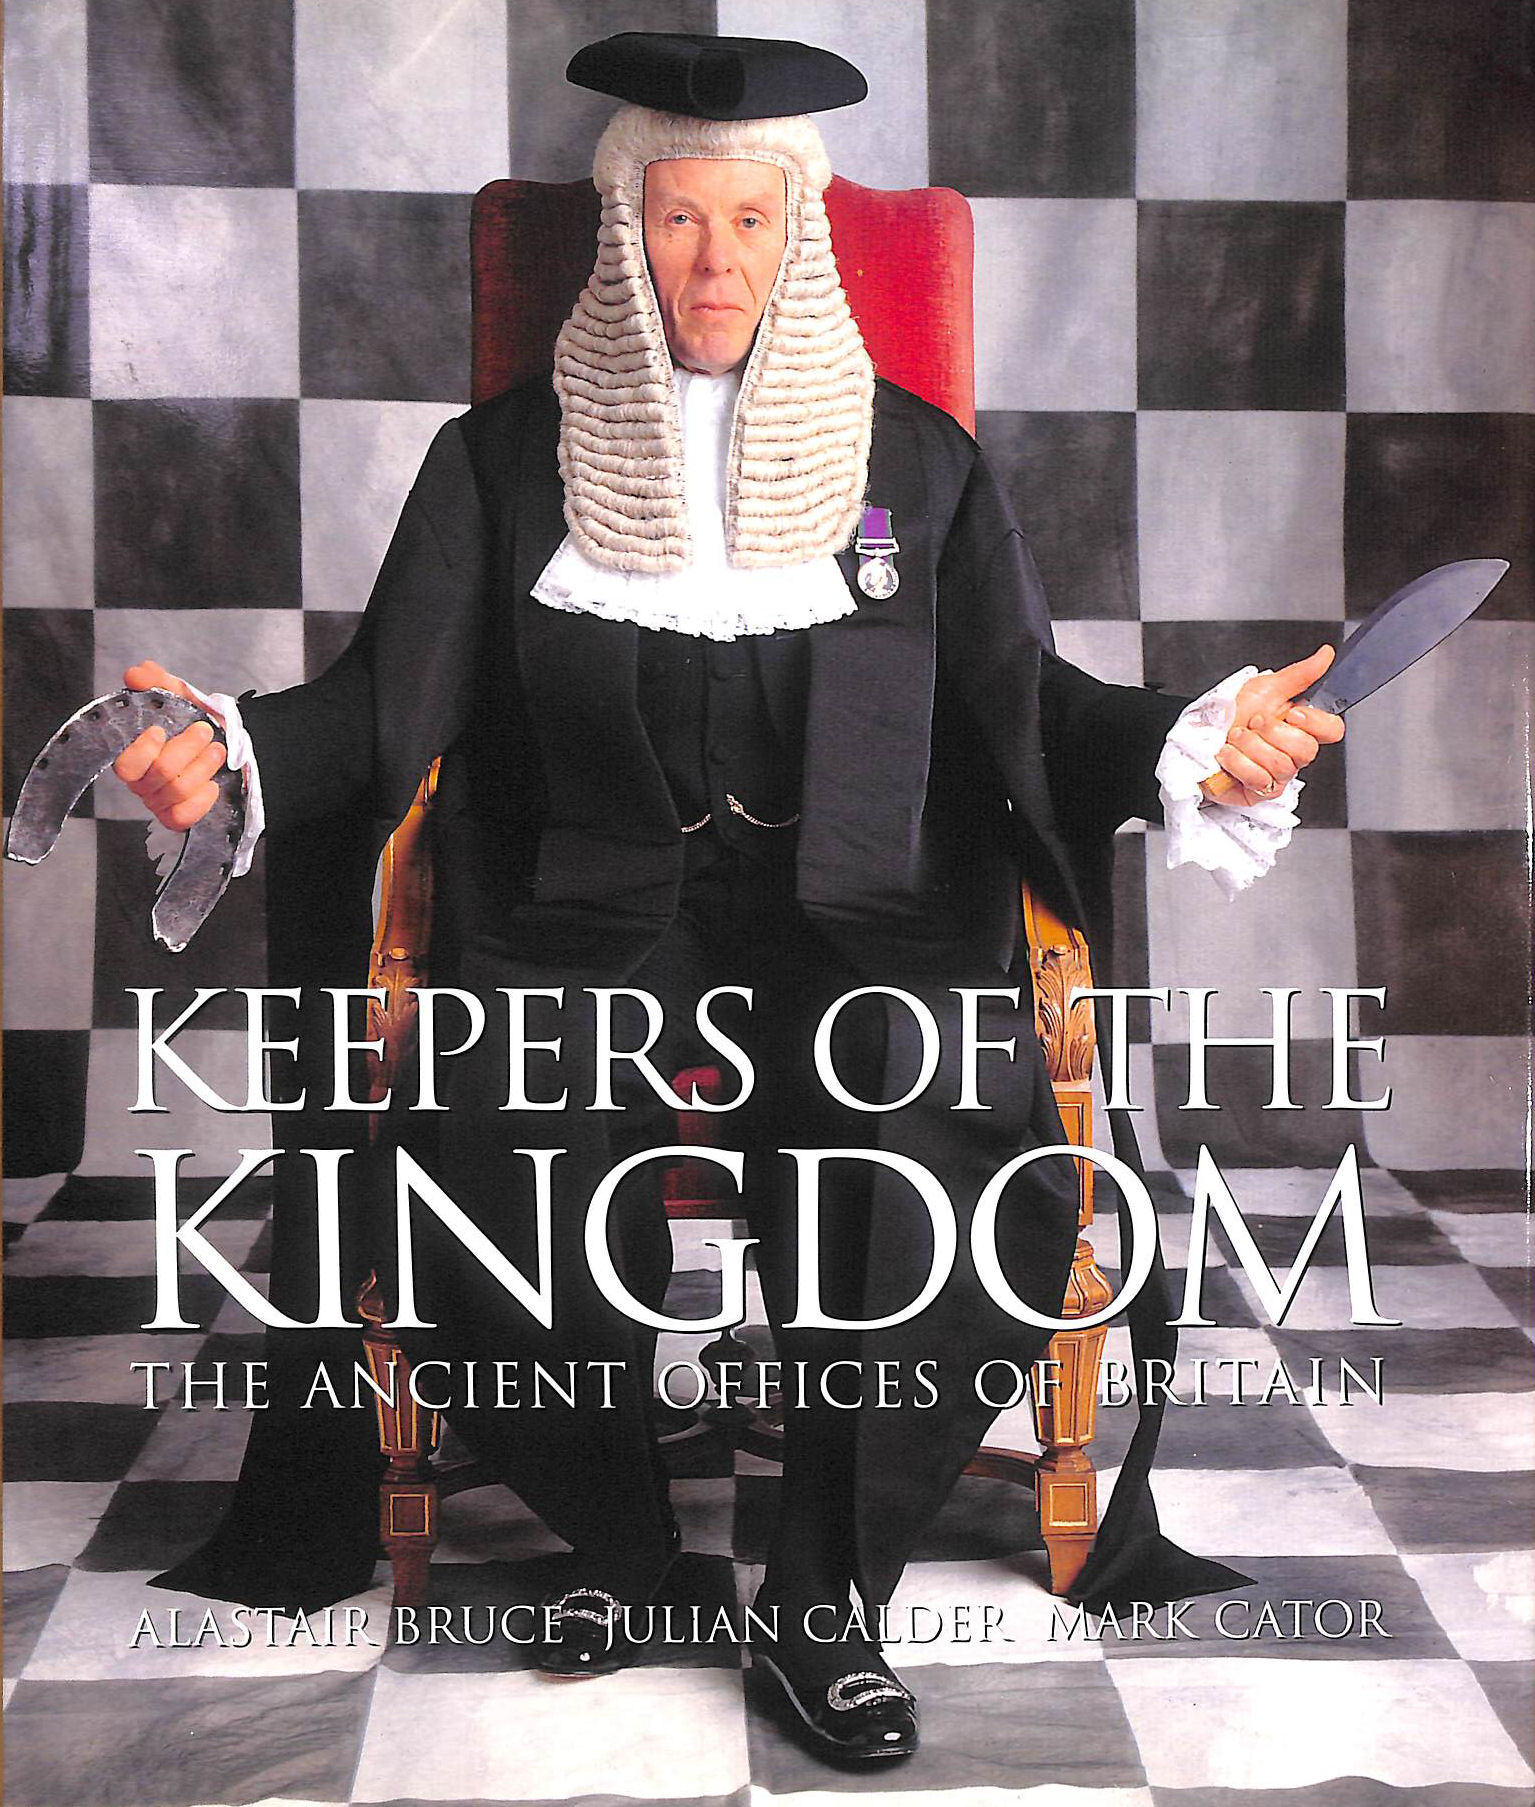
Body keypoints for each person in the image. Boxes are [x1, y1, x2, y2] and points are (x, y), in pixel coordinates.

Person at [112, 33, 1342, 1764]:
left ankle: (824, 1594)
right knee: (495, 1115)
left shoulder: (918, 465)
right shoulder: (499, 462)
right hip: (587, 911)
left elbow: (1031, 702)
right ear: (627, 233)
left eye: (751, 222)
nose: (715, 263)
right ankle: (623, 1541)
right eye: (680, 219)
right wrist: (225, 756)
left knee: (918, 1111)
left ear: (799, 236)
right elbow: (383, 705)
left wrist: (1194, 743)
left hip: (862, 913)